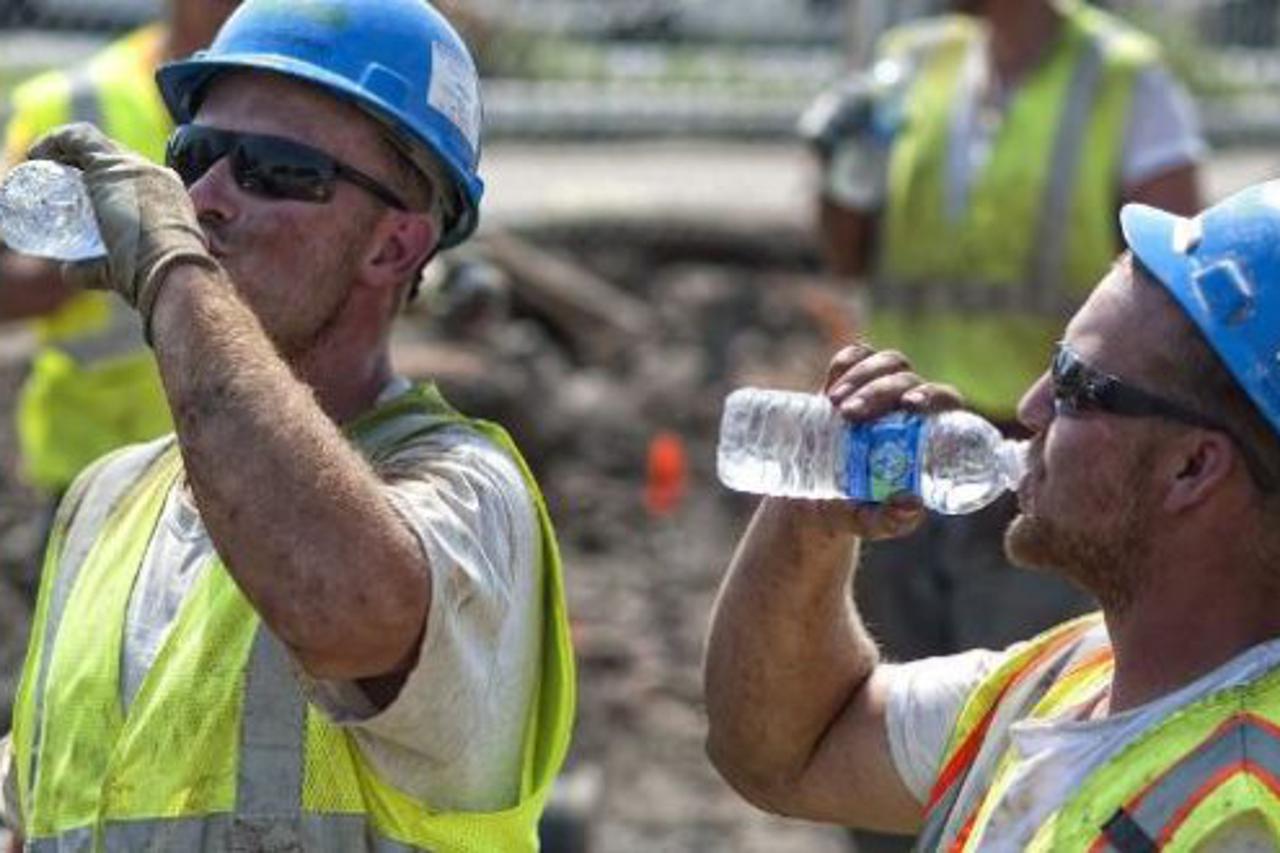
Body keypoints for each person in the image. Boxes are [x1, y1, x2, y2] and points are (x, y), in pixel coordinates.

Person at [0, 0, 575, 850]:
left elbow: (346, 608)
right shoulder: (105, 500)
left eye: (273, 168)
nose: (202, 199)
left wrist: (173, 273)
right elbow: (34, 803)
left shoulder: (466, 491)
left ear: (394, 248)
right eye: (194, 155)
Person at [703, 181, 1280, 849]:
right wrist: (811, 515)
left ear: (1192, 468)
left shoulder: (1240, 812)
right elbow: (785, 748)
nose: (1030, 406)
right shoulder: (1075, 673)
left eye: (1074, 384)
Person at [796, 6, 1207, 819]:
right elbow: (848, 251)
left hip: (1040, 472)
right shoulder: (911, 64)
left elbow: (1173, 305)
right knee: (870, 740)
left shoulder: (1123, 79)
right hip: (899, 462)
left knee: (1011, 758)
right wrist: (846, 167)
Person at [0, 0, 242, 584]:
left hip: (237, 472)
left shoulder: (287, 112)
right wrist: (98, 259)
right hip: (94, 478)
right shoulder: (73, 102)